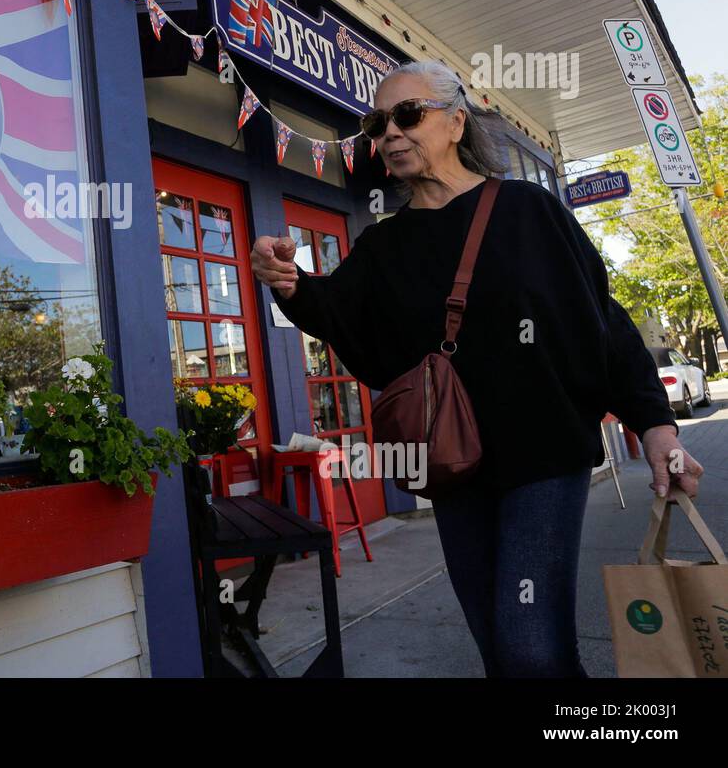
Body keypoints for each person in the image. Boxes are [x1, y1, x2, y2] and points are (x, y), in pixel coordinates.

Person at [250, 60, 704, 678]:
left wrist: (655, 425)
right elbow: (337, 316)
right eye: (376, 122)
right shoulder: (384, 246)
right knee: (500, 646)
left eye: (407, 115)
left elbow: (602, 319)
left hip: (542, 459)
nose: (389, 132)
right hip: (454, 467)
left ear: (457, 121)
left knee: (530, 648)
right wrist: (288, 281)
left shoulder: (528, 211)